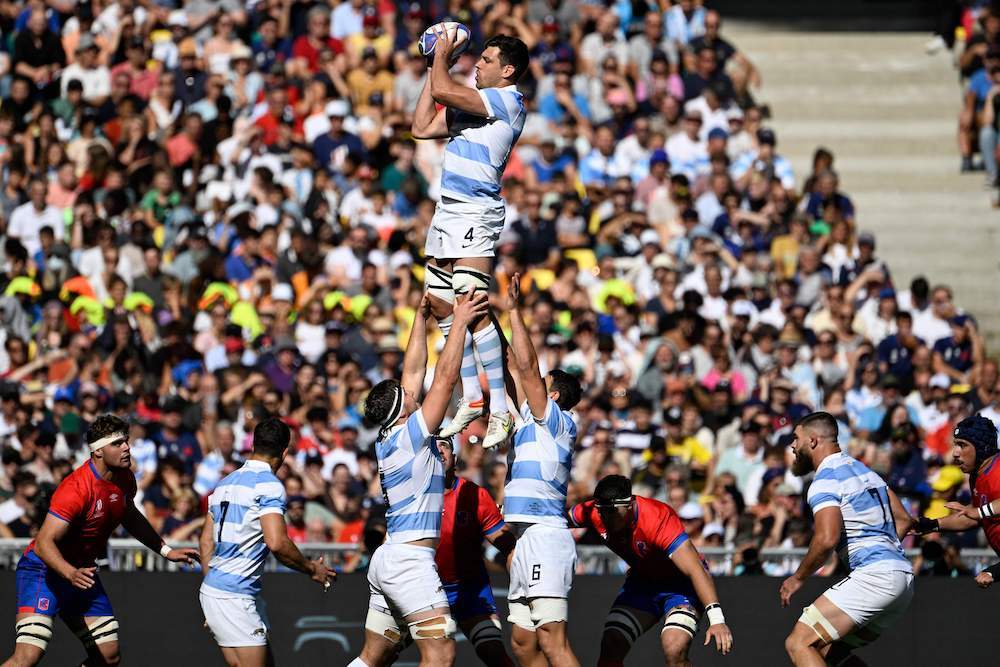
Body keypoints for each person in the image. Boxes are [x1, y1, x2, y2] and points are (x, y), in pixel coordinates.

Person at [350, 289, 489, 667]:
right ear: (402, 410)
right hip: (410, 561)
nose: (412, 391)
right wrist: (459, 322)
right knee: (441, 653)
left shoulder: (390, 435)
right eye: (407, 395)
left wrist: (419, 317)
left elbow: (412, 372)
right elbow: (443, 379)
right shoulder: (411, 435)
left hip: (390, 556)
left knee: (373, 658)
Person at [411, 28, 530, 449]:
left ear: (507, 71)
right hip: (447, 209)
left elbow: (444, 88)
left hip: (475, 210)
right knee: (440, 301)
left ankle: (499, 407)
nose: (477, 64)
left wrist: (442, 54)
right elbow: (421, 127)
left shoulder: (507, 101)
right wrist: (434, 66)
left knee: (472, 302)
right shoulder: (473, 105)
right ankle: (473, 397)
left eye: (486, 60)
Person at [4, 415, 198, 667]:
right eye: (117, 443)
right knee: (28, 657)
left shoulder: (125, 477)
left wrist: (165, 549)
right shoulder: (75, 488)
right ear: (97, 451)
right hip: (45, 571)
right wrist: (70, 573)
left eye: (126, 441)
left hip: (81, 573)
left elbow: (129, 514)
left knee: (108, 656)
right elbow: (43, 544)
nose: (126, 447)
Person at [358, 434, 517, 667]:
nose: (439, 450)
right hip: (419, 588)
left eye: (445, 446)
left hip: (468, 589)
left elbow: (507, 544)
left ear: (455, 458)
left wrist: (522, 582)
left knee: (492, 651)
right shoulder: (409, 491)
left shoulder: (475, 494)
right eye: (434, 446)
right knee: (381, 657)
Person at [198, 417, 336, 667]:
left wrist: (214, 593)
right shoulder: (269, 485)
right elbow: (277, 543)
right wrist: (311, 568)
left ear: (253, 446)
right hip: (234, 595)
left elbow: (206, 542)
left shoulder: (224, 483)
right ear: (284, 452)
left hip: (215, 589)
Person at [779, 411, 915, 667]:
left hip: (875, 577)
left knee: (798, 643)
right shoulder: (867, 472)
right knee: (829, 653)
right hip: (902, 580)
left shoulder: (825, 479)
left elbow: (826, 538)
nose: (792, 445)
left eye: (796, 438)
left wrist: (798, 578)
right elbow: (905, 519)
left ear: (813, 440)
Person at [500, 273, 583, 667]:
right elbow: (511, 366)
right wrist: (489, 317)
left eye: (541, 384)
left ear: (553, 395)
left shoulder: (558, 422)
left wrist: (516, 311)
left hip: (546, 535)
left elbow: (528, 367)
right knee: (522, 643)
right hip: (523, 537)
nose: (532, 384)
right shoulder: (528, 420)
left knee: (553, 642)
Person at [568, 474, 734, 666]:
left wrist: (717, 619)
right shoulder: (593, 511)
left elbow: (695, 569)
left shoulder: (657, 518)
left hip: (681, 585)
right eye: (602, 512)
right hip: (643, 581)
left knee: (674, 647)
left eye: (613, 512)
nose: (607, 519)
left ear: (630, 504)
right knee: (612, 643)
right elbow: (553, 520)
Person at [913, 415, 1000, 589]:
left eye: (962, 445)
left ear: (982, 447)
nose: (955, 452)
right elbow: (971, 517)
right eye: (955, 444)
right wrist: (932, 524)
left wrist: (979, 512)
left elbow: (978, 513)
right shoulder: (977, 475)